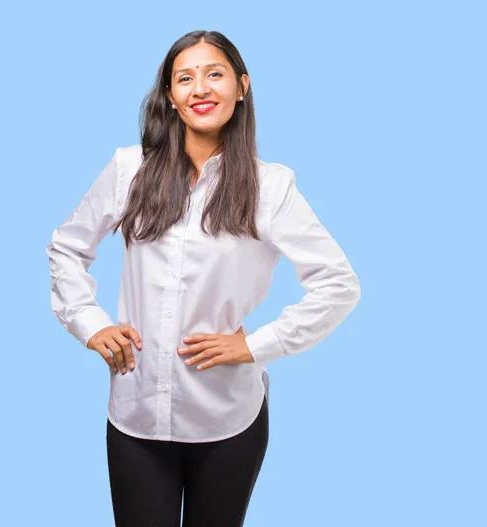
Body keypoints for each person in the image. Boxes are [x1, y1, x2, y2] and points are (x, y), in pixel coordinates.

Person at [45, 29, 361, 527]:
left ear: (242, 86)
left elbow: (338, 284)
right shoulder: (128, 169)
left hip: (227, 420)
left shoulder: (270, 186)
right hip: (136, 415)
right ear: (170, 97)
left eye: (214, 74)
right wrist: (89, 322)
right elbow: (67, 247)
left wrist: (258, 344)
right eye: (185, 78)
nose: (200, 89)